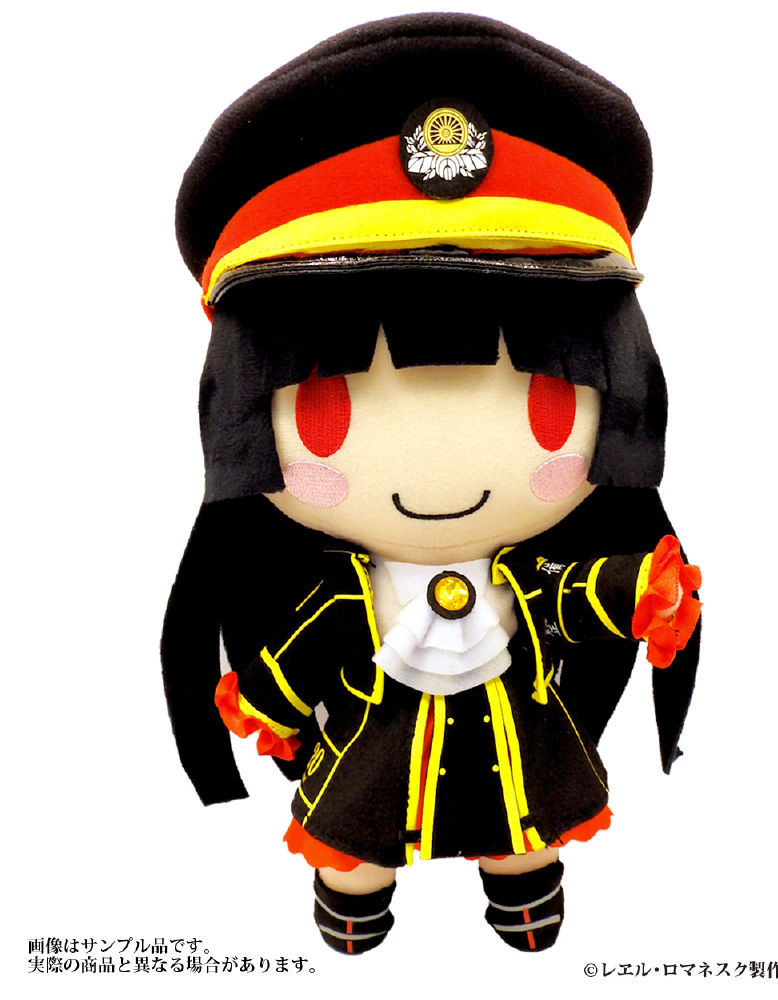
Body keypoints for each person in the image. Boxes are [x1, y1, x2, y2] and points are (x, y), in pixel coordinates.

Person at [162, 13, 702, 954]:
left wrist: (637, 594)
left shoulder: (518, 583)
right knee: (355, 838)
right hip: (374, 761)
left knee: (523, 829)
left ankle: (521, 888)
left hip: (517, 758)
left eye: (546, 407)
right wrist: (269, 704)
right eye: (327, 412)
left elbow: (571, 597)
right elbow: (306, 653)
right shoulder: (346, 600)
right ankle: (356, 895)